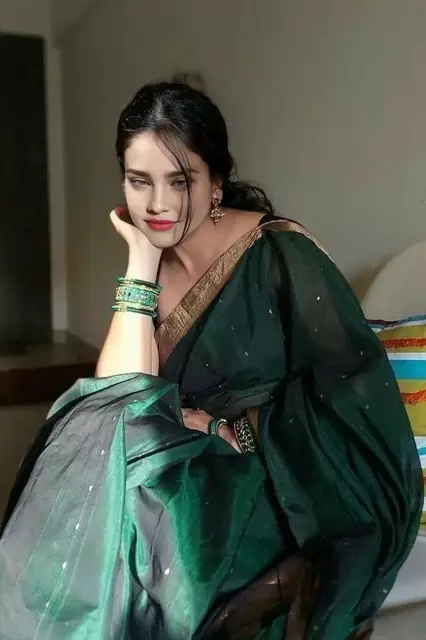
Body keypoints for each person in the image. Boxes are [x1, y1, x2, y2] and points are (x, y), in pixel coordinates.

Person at [0, 83, 422, 640]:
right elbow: (114, 402)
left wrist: (232, 432)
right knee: (91, 434)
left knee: (123, 506)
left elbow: (351, 400)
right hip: (169, 476)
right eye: (139, 181)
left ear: (216, 182)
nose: (158, 204)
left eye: (180, 181)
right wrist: (141, 259)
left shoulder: (279, 254)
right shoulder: (153, 266)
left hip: (278, 486)